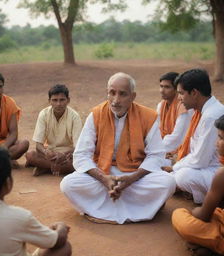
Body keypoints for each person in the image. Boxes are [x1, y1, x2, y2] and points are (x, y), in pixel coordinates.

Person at [60, 72, 176, 225]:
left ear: (133, 96)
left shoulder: (148, 116)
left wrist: (131, 179)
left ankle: (112, 205)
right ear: (107, 93)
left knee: (168, 182)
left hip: (135, 175)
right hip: (103, 172)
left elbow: (156, 155)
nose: (116, 100)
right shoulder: (96, 114)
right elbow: (81, 154)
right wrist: (103, 179)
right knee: (68, 184)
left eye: (122, 94)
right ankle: (144, 206)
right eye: (112, 93)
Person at [0, 145, 71, 256]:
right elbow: (58, 240)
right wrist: (61, 227)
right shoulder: (19, 217)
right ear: (8, 183)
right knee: (64, 248)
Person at [162, 69, 224, 204]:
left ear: (194, 93)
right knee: (173, 174)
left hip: (216, 170)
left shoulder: (211, 116)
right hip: (208, 165)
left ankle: (213, 197)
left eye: (181, 93)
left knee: (182, 177)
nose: (179, 98)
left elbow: (199, 160)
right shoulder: (203, 112)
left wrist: (174, 167)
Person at [172, 115, 224, 256]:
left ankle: (214, 245)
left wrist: (193, 212)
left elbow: (203, 216)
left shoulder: (221, 175)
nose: (216, 143)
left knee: (180, 216)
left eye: (220, 138)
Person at [25, 84, 82, 176]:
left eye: (62, 100)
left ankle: (44, 168)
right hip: (50, 154)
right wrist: (45, 152)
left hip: (67, 155)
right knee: (30, 155)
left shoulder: (75, 117)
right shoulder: (43, 114)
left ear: (68, 100)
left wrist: (63, 155)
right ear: (49, 101)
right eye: (55, 100)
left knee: (78, 163)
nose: (58, 104)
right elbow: (38, 145)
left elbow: (77, 147)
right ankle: (54, 168)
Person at [157, 72, 192, 160]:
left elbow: (178, 137)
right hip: (166, 149)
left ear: (177, 89)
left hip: (183, 151)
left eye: (167, 87)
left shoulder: (184, 107)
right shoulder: (161, 106)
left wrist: (157, 150)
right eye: (161, 86)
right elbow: (156, 131)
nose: (162, 90)